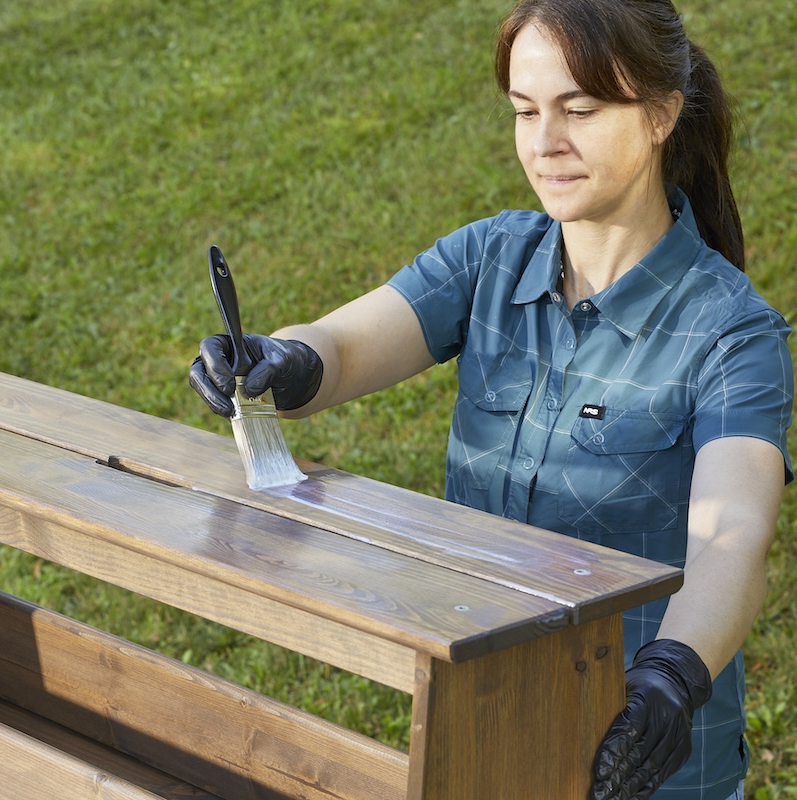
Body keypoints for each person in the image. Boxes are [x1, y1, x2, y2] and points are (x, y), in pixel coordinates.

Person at [189, 1, 793, 798]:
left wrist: (671, 679)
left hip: (645, 758)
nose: (546, 143)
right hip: (484, 722)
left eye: (579, 109)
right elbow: (341, 346)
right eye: (525, 111)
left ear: (658, 116)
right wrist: (280, 359)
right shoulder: (489, 259)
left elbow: (732, 537)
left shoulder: (731, 332)